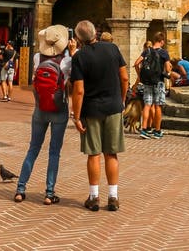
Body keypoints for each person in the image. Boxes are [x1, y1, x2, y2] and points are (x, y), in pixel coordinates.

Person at [14, 25, 76, 205]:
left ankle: (20, 188)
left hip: (39, 109)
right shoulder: (66, 61)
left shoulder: (36, 57)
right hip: (59, 109)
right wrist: (72, 53)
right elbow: (74, 78)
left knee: (33, 149)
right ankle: (49, 193)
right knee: (54, 152)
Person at [72, 19, 129, 211]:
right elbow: (125, 77)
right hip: (113, 107)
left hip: (92, 109)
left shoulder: (79, 57)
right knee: (111, 153)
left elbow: (78, 90)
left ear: (79, 39)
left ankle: (94, 196)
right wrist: (121, 100)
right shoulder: (112, 49)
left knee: (94, 153)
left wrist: (76, 116)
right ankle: (113, 196)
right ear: (95, 33)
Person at [134, 31, 171, 139]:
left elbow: (136, 63)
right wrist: (168, 70)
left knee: (147, 104)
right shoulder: (164, 53)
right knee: (158, 106)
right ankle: (157, 130)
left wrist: (140, 76)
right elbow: (168, 69)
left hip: (147, 82)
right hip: (158, 82)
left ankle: (144, 129)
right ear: (162, 41)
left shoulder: (147, 51)